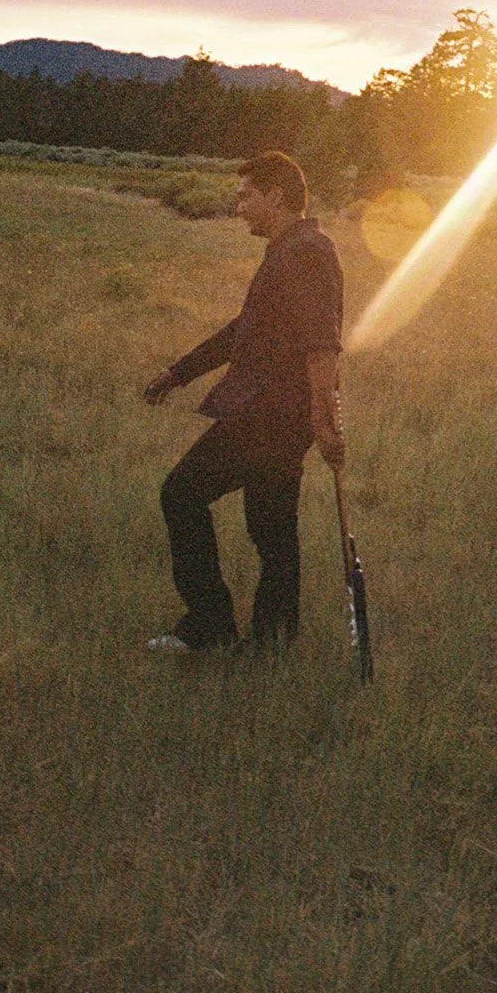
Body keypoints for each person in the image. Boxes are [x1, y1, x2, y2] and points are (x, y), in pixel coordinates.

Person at [143, 150, 345, 653]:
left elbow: (321, 344)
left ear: (275, 196)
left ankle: (211, 624)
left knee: (182, 495)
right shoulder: (290, 249)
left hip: (269, 417)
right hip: (269, 413)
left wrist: (324, 422)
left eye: (245, 196)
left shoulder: (305, 253)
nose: (239, 207)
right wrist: (180, 372)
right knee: (272, 531)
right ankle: (271, 643)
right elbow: (244, 331)